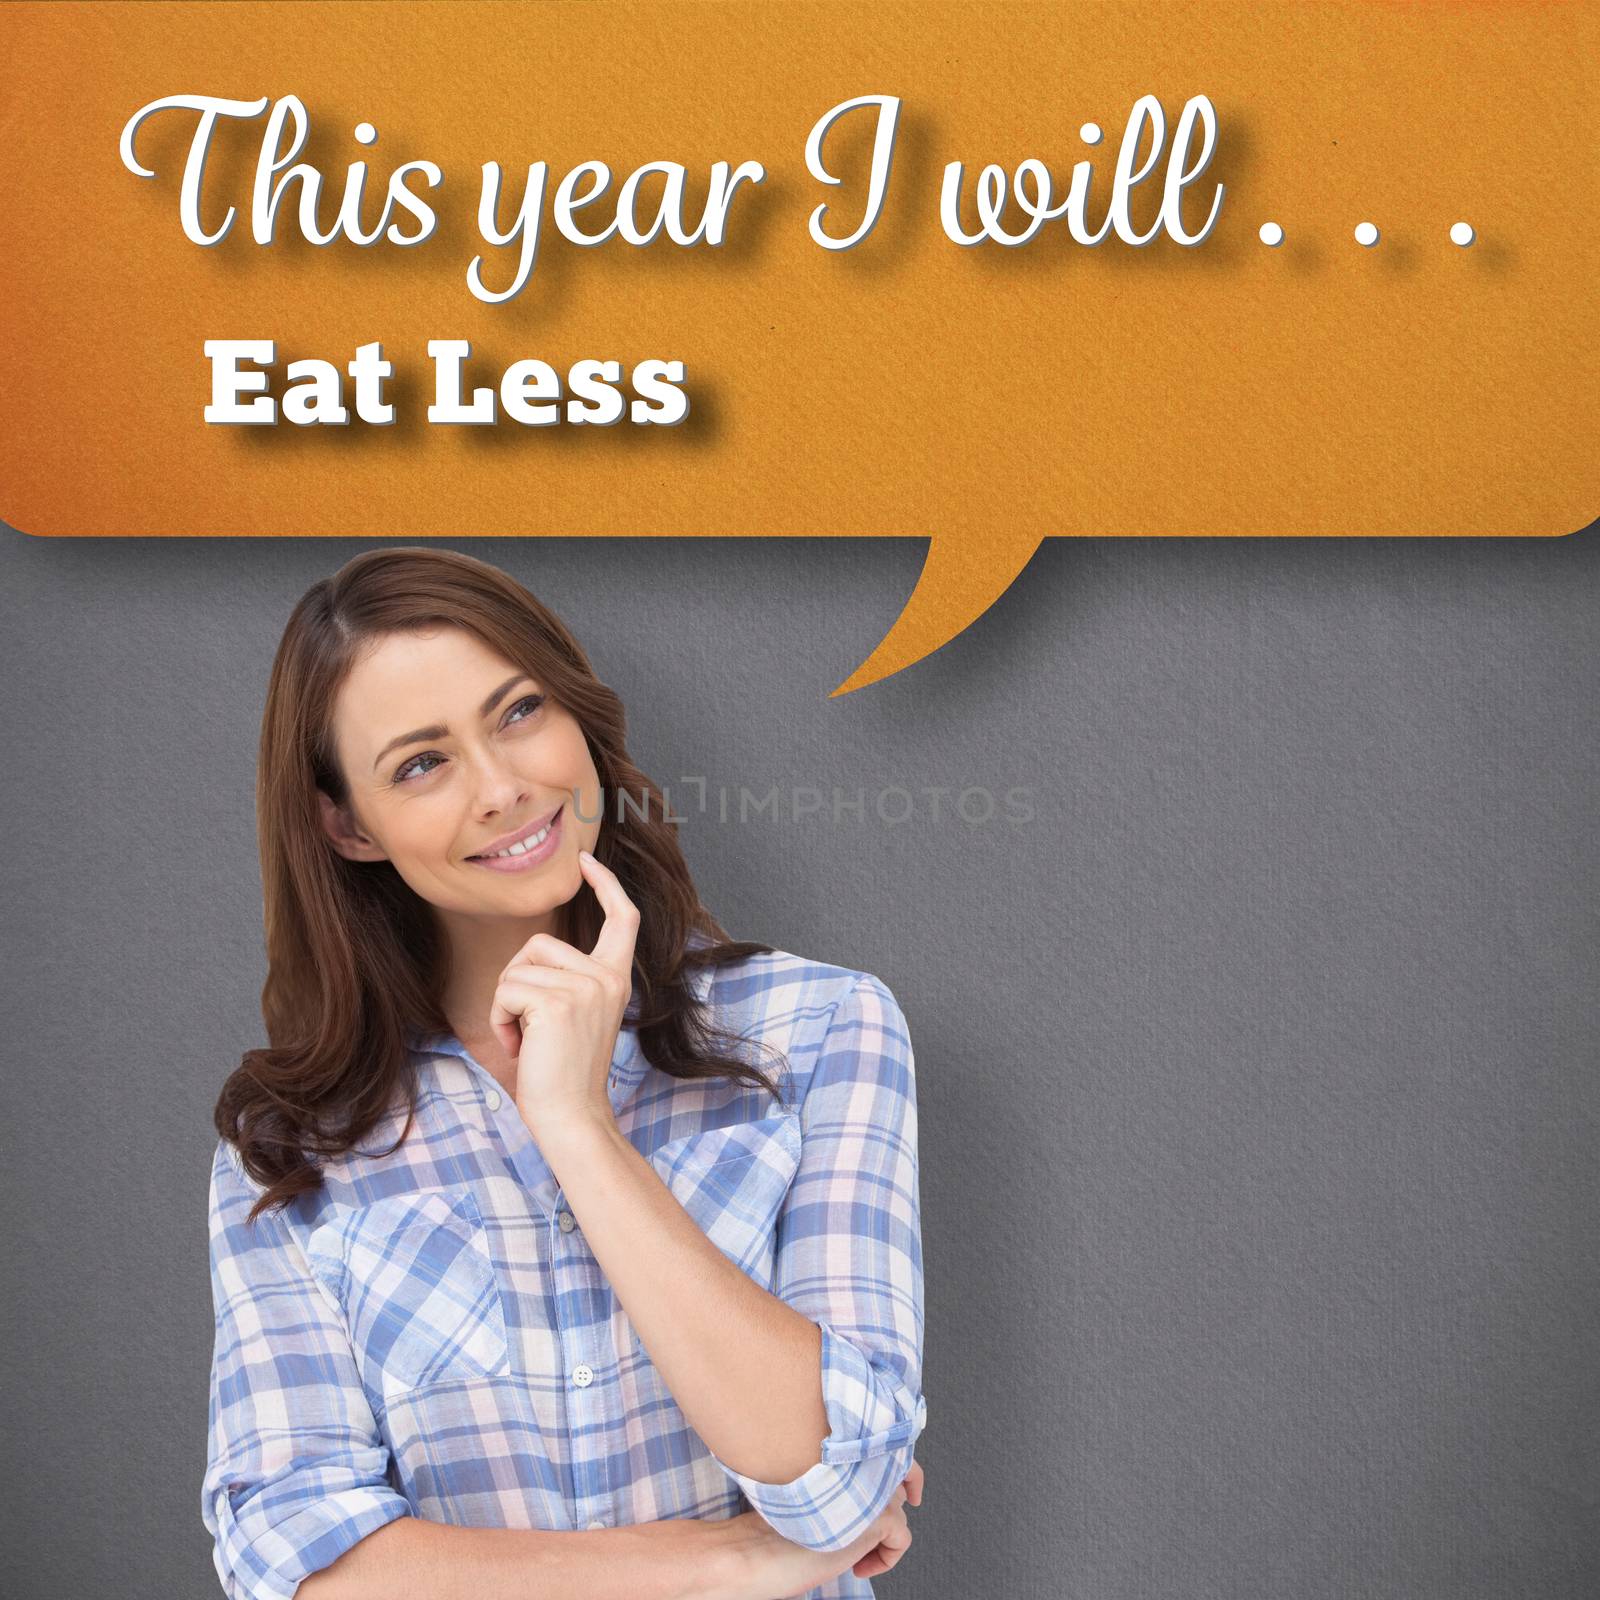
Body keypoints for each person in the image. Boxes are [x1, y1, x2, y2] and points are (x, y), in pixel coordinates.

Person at [202, 547, 928, 1600]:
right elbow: (293, 1556)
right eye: (420, 763)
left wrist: (577, 1126)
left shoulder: (815, 1031)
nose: (502, 787)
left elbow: (836, 1481)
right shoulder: (290, 1143)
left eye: (518, 711)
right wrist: (736, 1557)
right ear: (347, 824)